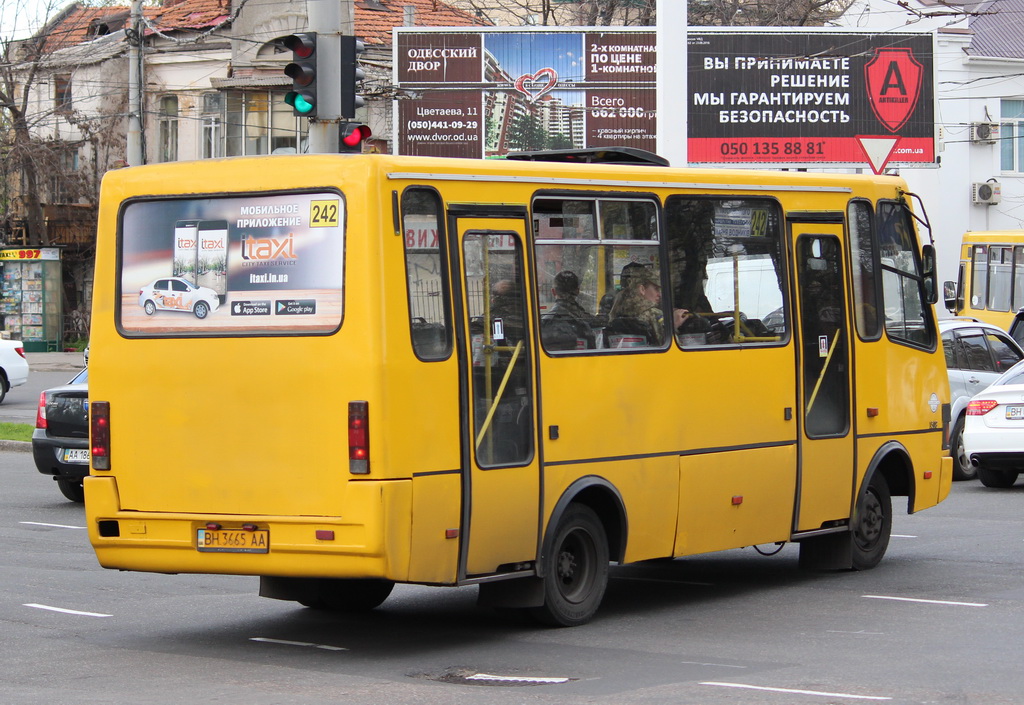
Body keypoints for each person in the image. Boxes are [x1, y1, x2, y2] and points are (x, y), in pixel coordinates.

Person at [608, 266, 684, 345]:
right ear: (642, 289)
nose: (660, 294)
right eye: (656, 289)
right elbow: (669, 347)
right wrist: (673, 325)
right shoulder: (654, 315)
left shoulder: (617, 310)